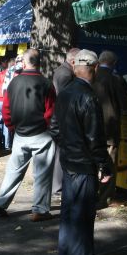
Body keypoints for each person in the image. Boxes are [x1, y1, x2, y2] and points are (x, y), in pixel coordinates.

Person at [54, 49, 113, 255]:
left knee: (69, 210)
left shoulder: (66, 92)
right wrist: (104, 164)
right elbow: (94, 138)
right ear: (95, 68)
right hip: (82, 163)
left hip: (69, 160)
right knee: (82, 213)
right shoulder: (88, 97)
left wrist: (68, 146)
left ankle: (66, 253)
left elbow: (54, 128)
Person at [0, 48, 56, 221]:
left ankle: (0, 202)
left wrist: (13, 127)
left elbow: (6, 109)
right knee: (42, 173)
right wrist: (47, 127)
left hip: (20, 133)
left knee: (13, 170)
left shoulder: (14, 82)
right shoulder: (46, 83)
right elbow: (50, 111)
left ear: (24, 62)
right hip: (41, 133)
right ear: (39, 62)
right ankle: (40, 210)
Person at [92, 50, 127, 208]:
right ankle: (105, 198)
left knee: (94, 162)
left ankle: (91, 194)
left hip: (92, 127)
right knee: (109, 163)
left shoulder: (90, 76)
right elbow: (125, 104)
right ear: (114, 63)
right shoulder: (115, 79)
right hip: (110, 128)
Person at [51, 47, 79, 196]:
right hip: (63, 117)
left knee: (60, 152)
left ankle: (58, 186)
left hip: (61, 116)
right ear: (73, 60)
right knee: (60, 153)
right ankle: (57, 187)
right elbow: (65, 97)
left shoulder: (63, 71)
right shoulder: (66, 73)